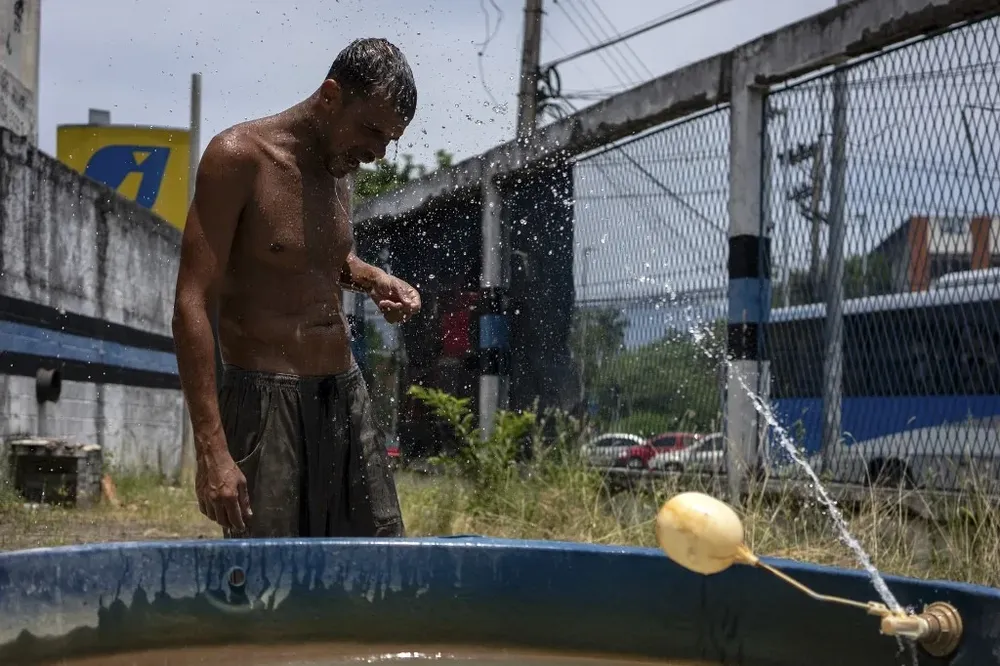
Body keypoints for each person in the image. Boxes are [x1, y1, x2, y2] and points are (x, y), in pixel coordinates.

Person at [171, 38, 421, 539]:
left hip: (344, 392)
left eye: (389, 140)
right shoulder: (238, 158)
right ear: (330, 96)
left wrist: (375, 280)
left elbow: (318, 258)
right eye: (372, 130)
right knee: (271, 589)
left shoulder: (337, 167)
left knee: (378, 569)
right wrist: (211, 449)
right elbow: (190, 304)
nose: (376, 152)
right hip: (266, 402)